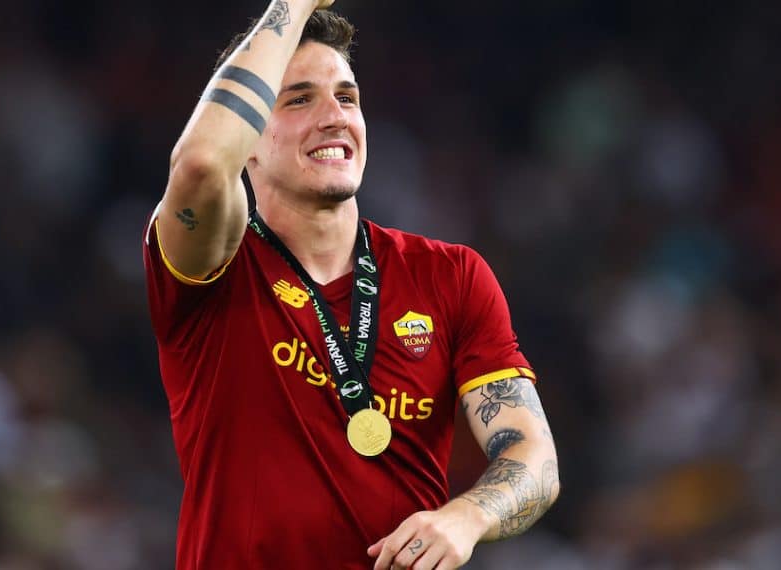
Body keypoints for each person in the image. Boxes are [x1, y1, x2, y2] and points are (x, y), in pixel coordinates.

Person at [142, 1, 560, 568]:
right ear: (249, 139)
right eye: (298, 98)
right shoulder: (214, 265)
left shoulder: (450, 276)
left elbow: (535, 456)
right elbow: (199, 165)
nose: (335, 116)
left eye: (347, 96)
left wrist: (467, 516)